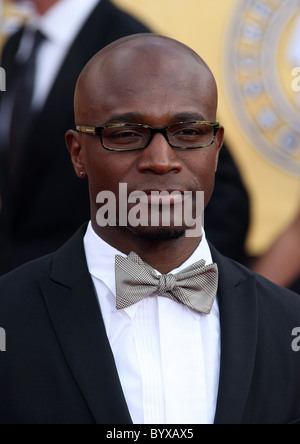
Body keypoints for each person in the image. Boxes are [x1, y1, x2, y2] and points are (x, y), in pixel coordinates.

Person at [1, 34, 300, 425]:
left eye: (188, 132)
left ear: (216, 146)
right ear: (78, 154)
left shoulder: (289, 326)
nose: (161, 161)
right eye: (126, 134)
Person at [0, 0, 150, 274]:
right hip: (21, 292)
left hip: (91, 297)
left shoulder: (128, 45)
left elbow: (217, 191)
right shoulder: (17, 45)